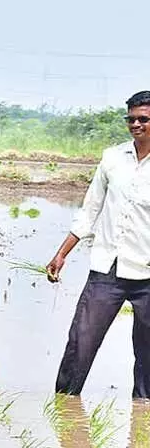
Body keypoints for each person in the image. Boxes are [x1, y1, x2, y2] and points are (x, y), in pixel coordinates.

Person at [48, 91, 150, 398]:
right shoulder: (112, 158)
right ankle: (64, 410)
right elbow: (90, 209)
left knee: (148, 355)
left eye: (143, 119)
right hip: (108, 267)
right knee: (80, 341)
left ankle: (142, 421)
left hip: (147, 271)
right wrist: (62, 253)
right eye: (131, 119)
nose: (136, 124)